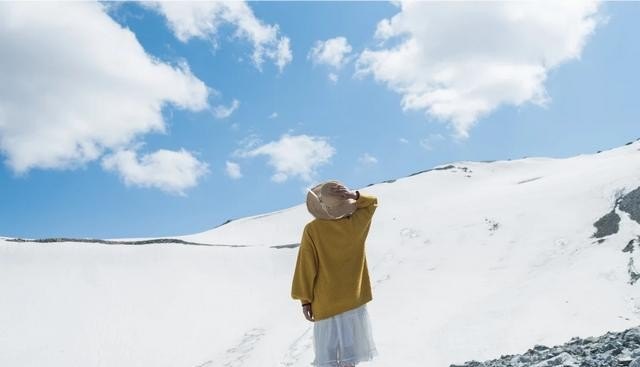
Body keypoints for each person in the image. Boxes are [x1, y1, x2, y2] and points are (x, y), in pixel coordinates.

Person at [291, 180, 379, 367]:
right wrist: (353, 196)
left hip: (325, 302)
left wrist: (305, 300)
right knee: (349, 357)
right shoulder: (356, 223)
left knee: (328, 357)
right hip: (353, 301)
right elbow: (372, 203)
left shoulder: (313, 230)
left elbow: (306, 265)